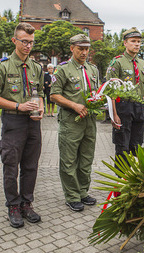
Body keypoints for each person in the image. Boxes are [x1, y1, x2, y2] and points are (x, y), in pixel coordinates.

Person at [0, 23, 44, 228]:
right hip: (13, 121)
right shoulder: (3, 66)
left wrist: (42, 108)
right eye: (24, 41)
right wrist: (19, 105)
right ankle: (13, 205)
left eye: (31, 42)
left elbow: (41, 94)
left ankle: (26, 203)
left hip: (33, 122)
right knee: (11, 166)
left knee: (31, 165)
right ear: (14, 41)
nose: (28, 46)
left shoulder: (36, 67)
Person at [50, 34, 99, 212]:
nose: (84, 52)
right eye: (81, 49)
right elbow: (54, 95)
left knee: (86, 159)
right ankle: (72, 196)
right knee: (69, 160)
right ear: (72, 48)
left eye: (87, 49)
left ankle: (83, 192)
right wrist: (74, 105)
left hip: (89, 121)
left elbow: (97, 92)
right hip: (71, 121)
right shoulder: (62, 70)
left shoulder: (93, 69)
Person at [105, 27, 144, 168]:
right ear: (125, 43)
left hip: (138, 108)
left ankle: (133, 179)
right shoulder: (117, 62)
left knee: (136, 145)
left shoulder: (143, 64)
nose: (137, 44)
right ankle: (120, 183)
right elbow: (111, 90)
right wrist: (114, 114)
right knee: (122, 146)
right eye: (133, 41)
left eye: (139, 41)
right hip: (122, 108)